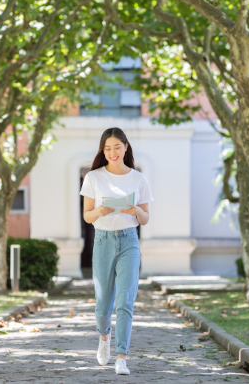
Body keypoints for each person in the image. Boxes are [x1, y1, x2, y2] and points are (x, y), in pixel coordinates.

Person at [79, 127, 153, 375]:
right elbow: (87, 216)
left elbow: (145, 219)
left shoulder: (138, 179)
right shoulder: (93, 178)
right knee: (103, 304)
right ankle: (103, 338)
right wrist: (98, 212)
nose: (112, 152)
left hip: (129, 242)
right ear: (103, 150)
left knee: (125, 302)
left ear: (126, 147)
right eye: (107, 148)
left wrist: (136, 212)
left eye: (117, 147)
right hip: (103, 241)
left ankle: (121, 357)